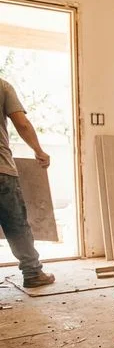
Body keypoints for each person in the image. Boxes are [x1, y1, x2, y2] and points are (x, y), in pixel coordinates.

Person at [0, 78, 55, 288]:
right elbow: (21, 123)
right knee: (16, 225)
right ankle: (32, 272)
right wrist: (39, 151)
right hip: (2, 171)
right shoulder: (3, 87)